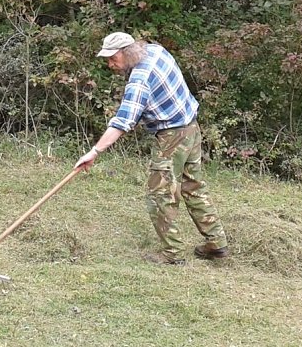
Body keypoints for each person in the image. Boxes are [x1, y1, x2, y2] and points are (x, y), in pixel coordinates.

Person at [74, 31, 229, 265]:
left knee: (160, 195)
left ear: (127, 52)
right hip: (191, 126)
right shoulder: (156, 51)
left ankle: (172, 254)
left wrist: (94, 152)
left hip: (172, 136)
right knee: (193, 185)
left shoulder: (139, 81)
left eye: (113, 58)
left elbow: (123, 122)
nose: (110, 64)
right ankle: (216, 243)